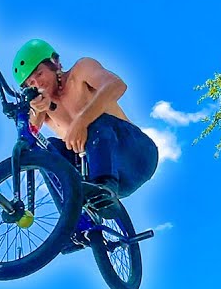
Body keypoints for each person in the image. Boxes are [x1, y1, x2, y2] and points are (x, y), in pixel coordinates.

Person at [10, 39, 160, 247]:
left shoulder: (81, 72)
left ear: (55, 63)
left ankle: (104, 187)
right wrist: (37, 109)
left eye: (39, 73)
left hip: (136, 155)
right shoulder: (44, 109)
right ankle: (73, 223)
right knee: (47, 153)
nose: (38, 83)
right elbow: (30, 136)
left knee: (95, 121)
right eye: (30, 83)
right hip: (113, 179)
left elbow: (117, 85)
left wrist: (82, 120)